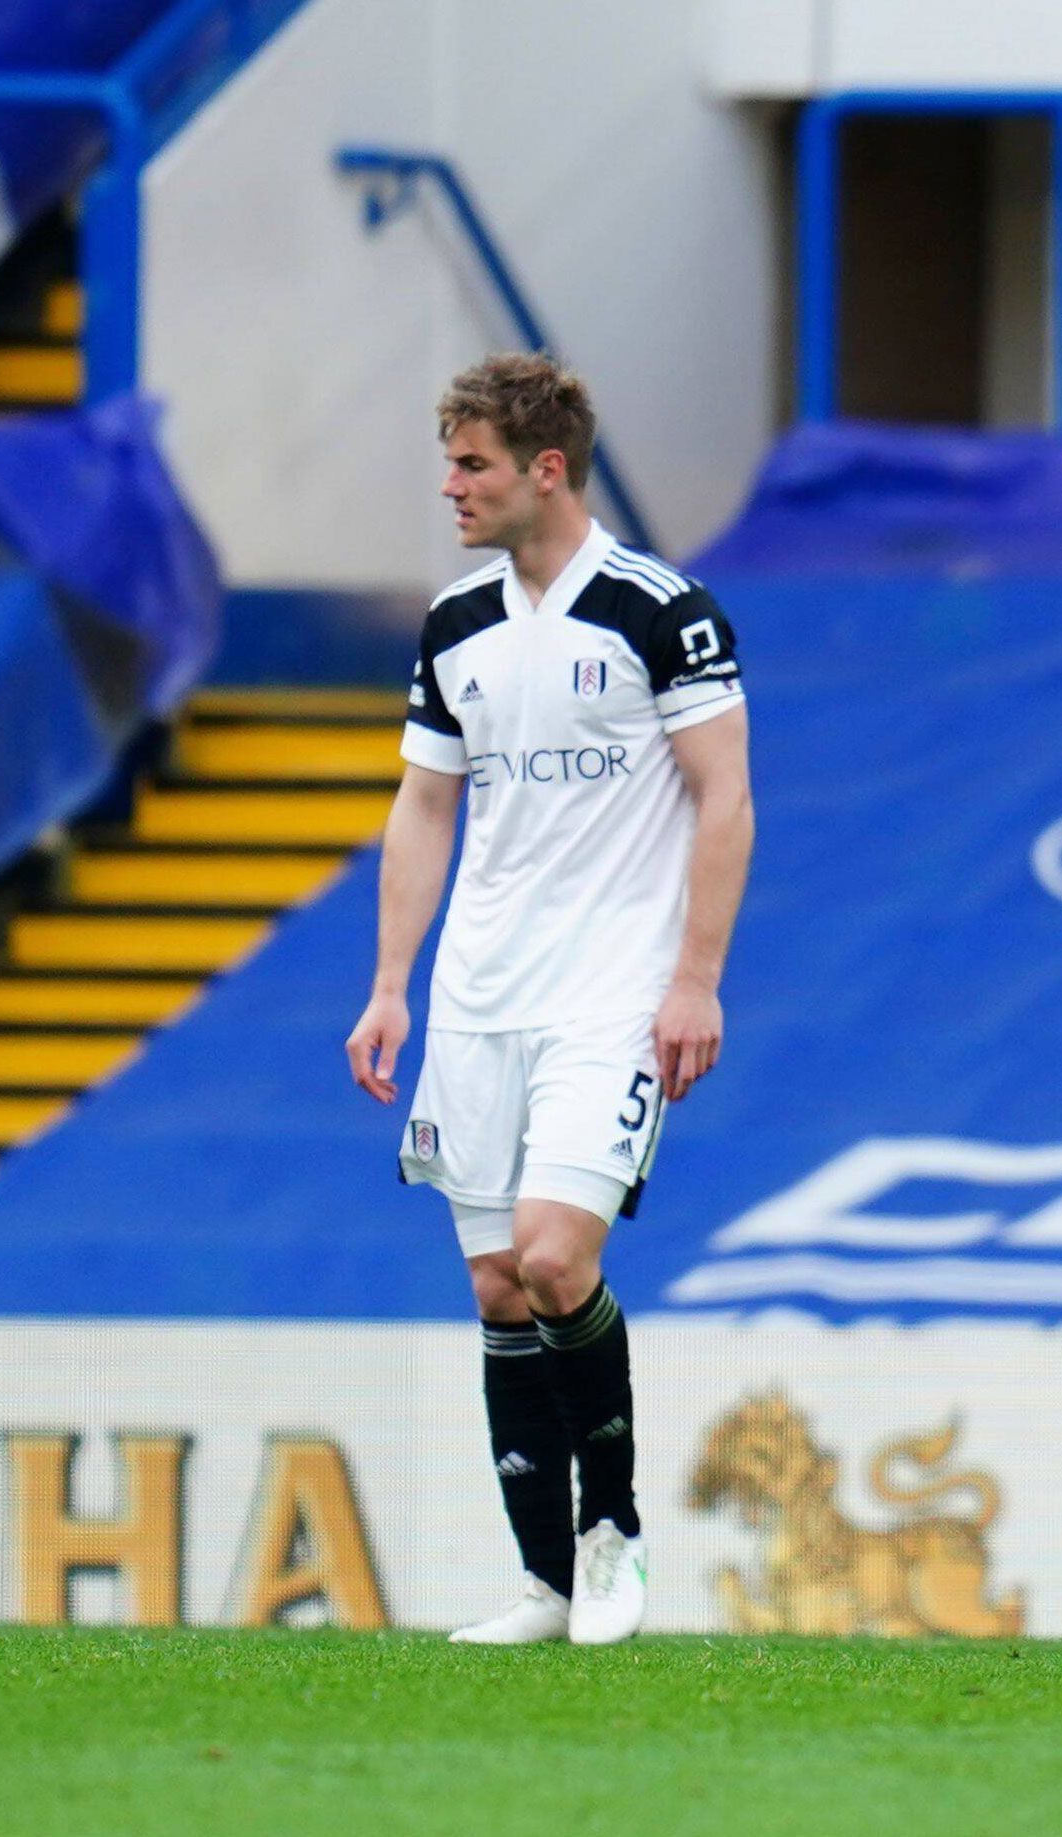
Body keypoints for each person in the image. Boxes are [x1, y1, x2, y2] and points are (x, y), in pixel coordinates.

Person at [347, 354, 753, 1646]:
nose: (451, 488)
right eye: (447, 463)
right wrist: (390, 988)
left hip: (609, 997)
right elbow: (423, 805)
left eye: (471, 464)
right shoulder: (456, 624)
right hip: (475, 1001)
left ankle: (613, 1531)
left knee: (552, 1255)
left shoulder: (658, 610)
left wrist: (693, 979)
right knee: (494, 1288)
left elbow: (724, 797)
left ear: (545, 469)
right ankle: (537, 1580)